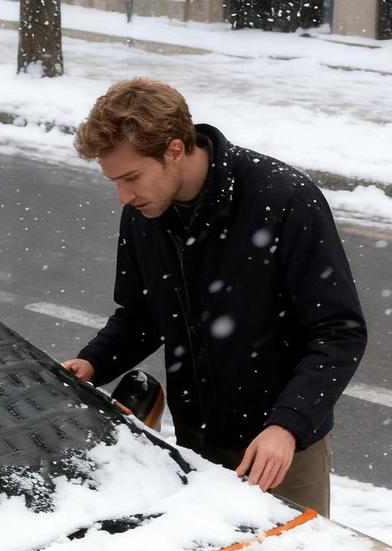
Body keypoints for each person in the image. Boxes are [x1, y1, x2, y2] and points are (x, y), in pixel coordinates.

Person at [63, 78, 366, 516]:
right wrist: (93, 364)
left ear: (174, 150)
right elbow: (141, 314)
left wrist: (287, 425)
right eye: (115, 181)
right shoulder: (145, 212)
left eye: (131, 178)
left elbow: (339, 332)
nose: (123, 197)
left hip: (281, 453)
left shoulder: (284, 199)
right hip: (196, 441)